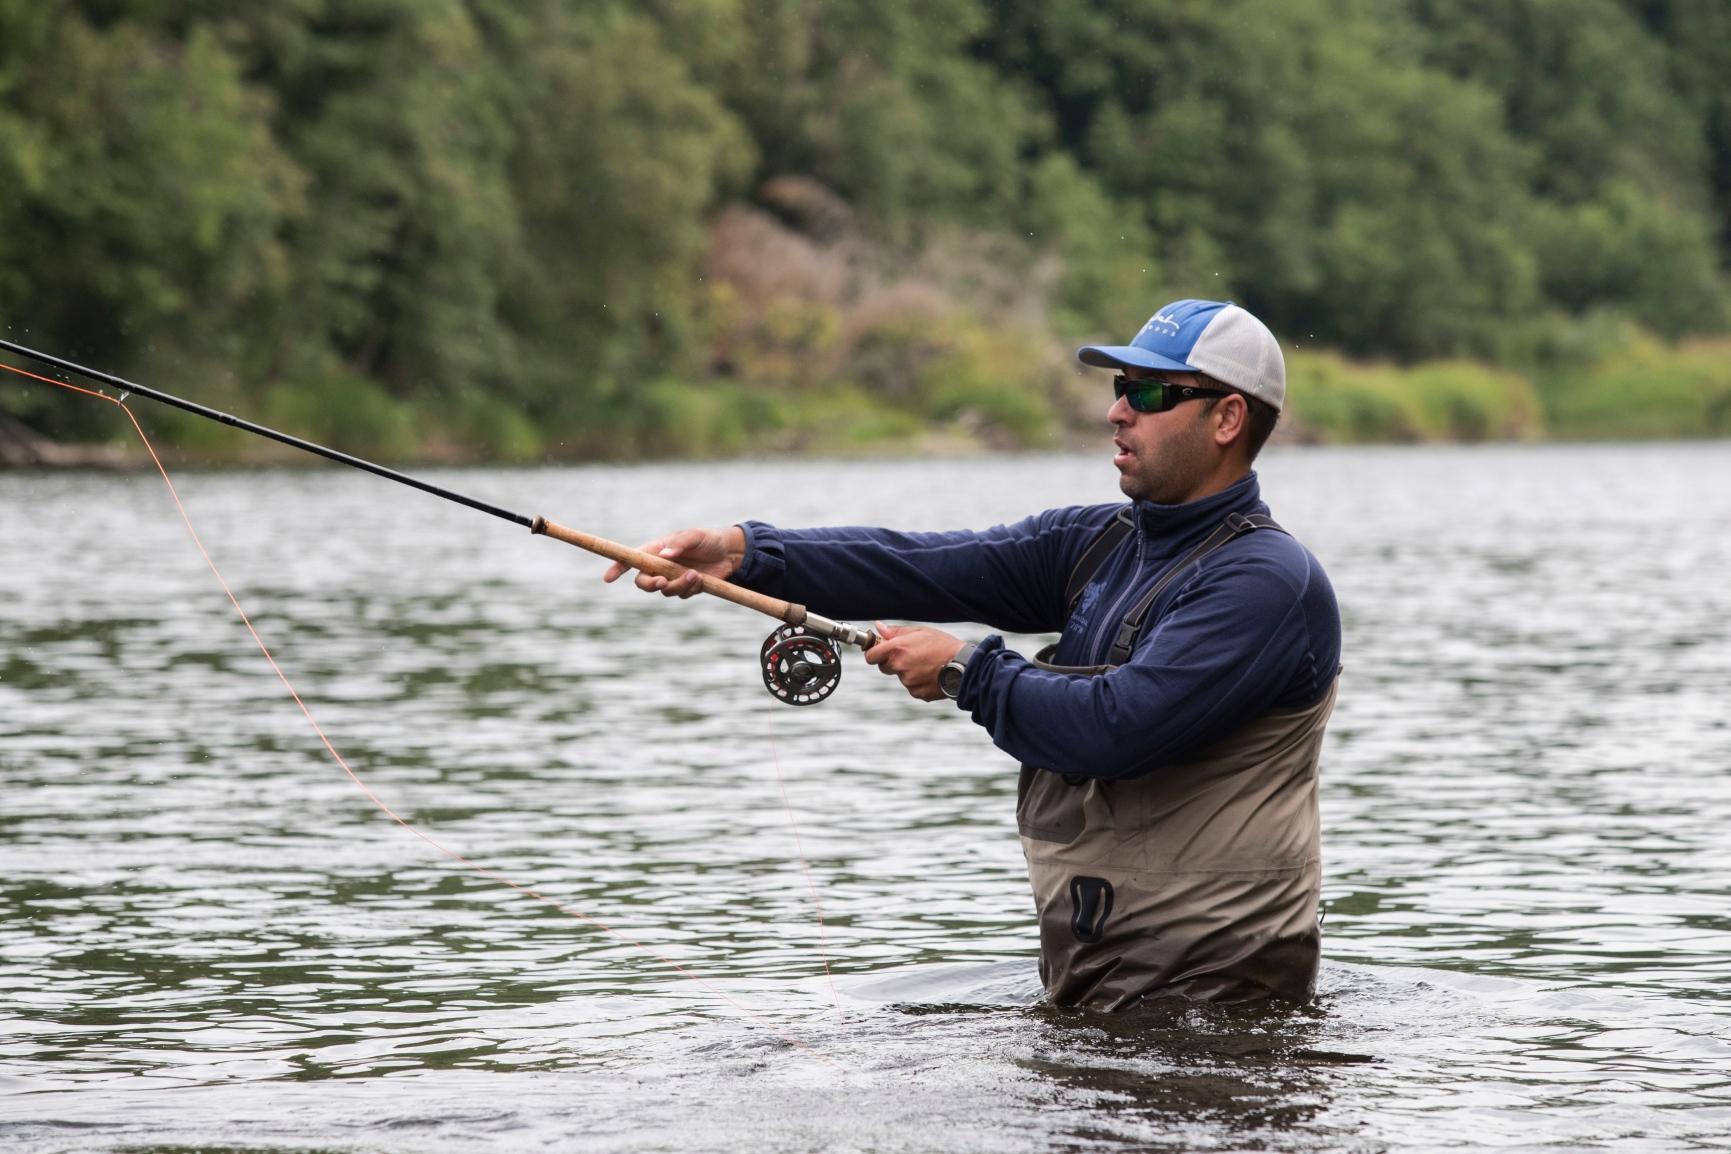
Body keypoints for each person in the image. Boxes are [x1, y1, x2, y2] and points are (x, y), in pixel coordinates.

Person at [604, 299, 1342, 1010]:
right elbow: (922, 563)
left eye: (1148, 392)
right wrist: (744, 552)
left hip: (1220, 1002)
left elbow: (1117, 726)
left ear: (1227, 417)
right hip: (1107, 987)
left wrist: (965, 671)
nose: (1117, 410)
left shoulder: (1265, 583)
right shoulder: (1100, 545)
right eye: (1120, 388)